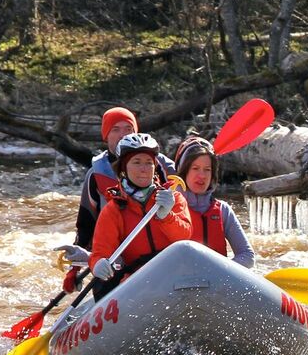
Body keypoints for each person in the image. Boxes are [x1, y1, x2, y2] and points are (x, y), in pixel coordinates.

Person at [56, 106, 176, 292]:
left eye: (128, 129)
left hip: (158, 259)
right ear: (106, 136)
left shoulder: (162, 168)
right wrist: (74, 269)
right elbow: (86, 226)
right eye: (115, 130)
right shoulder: (96, 175)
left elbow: (184, 218)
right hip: (114, 261)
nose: (122, 135)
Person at [88, 133, 192, 299]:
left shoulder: (172, 198)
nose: (144, 168)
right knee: (104, 284)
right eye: (136, 162)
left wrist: (167, 216)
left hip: (173, 275)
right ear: (124, 168)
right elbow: (100, 252)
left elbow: (185, 236)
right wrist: (97, 264)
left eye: (149, 163)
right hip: (137, 281)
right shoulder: (114, 210)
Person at [172, 134, 255, 268]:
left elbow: (247, 256)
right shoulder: (169, 210)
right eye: (195, 168)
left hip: (218, 283)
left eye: (207, 170)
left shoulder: (223, 210)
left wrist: (219, 272)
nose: (202, 176)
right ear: (183, 172)